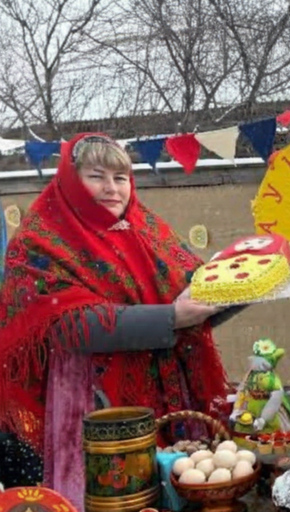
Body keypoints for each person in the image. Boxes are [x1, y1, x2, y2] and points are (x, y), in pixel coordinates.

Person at [0, 134, 236, 507]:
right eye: (97, 176)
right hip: (94, 403)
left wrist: (242, 286)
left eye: (121, 178)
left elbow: (194, 299)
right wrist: (172, 317)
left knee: (170, 489)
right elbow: (69, 327)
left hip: (167, 394)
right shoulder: (39, 241)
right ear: (70, 180)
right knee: (112, 496)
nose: (112, 188)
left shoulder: (148, 232)